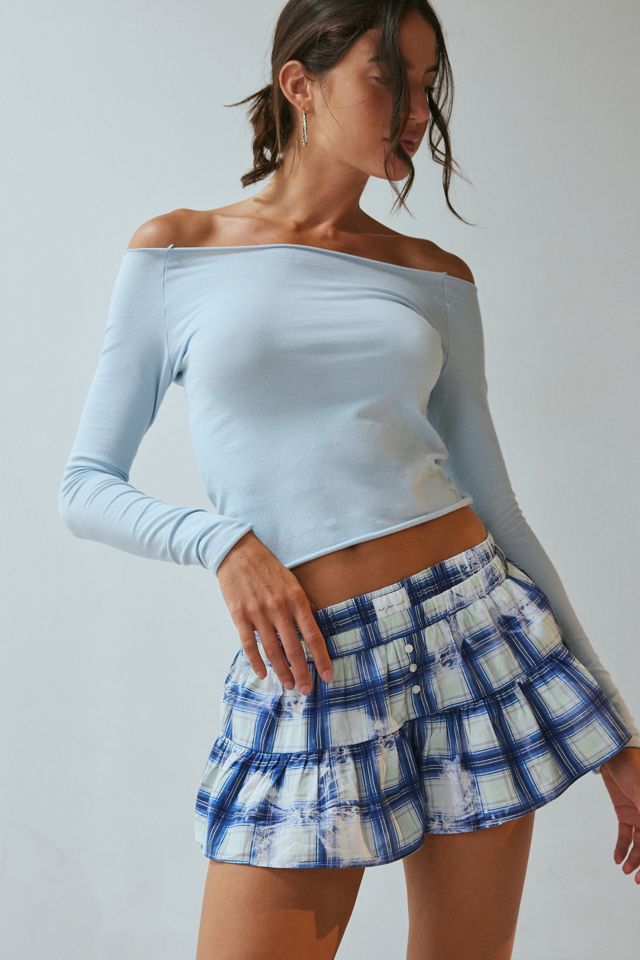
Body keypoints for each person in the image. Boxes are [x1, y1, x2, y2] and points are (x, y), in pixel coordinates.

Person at [58, 2, 640, 958]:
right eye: (389, 78)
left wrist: (615, 727)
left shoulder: (433, 276)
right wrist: (223, 543)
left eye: (427, 84)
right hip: (311, 663)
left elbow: (498, 507)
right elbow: (85, 485)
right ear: (301, 83)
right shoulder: (178, 251)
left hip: (473, 635)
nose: (415, 110)